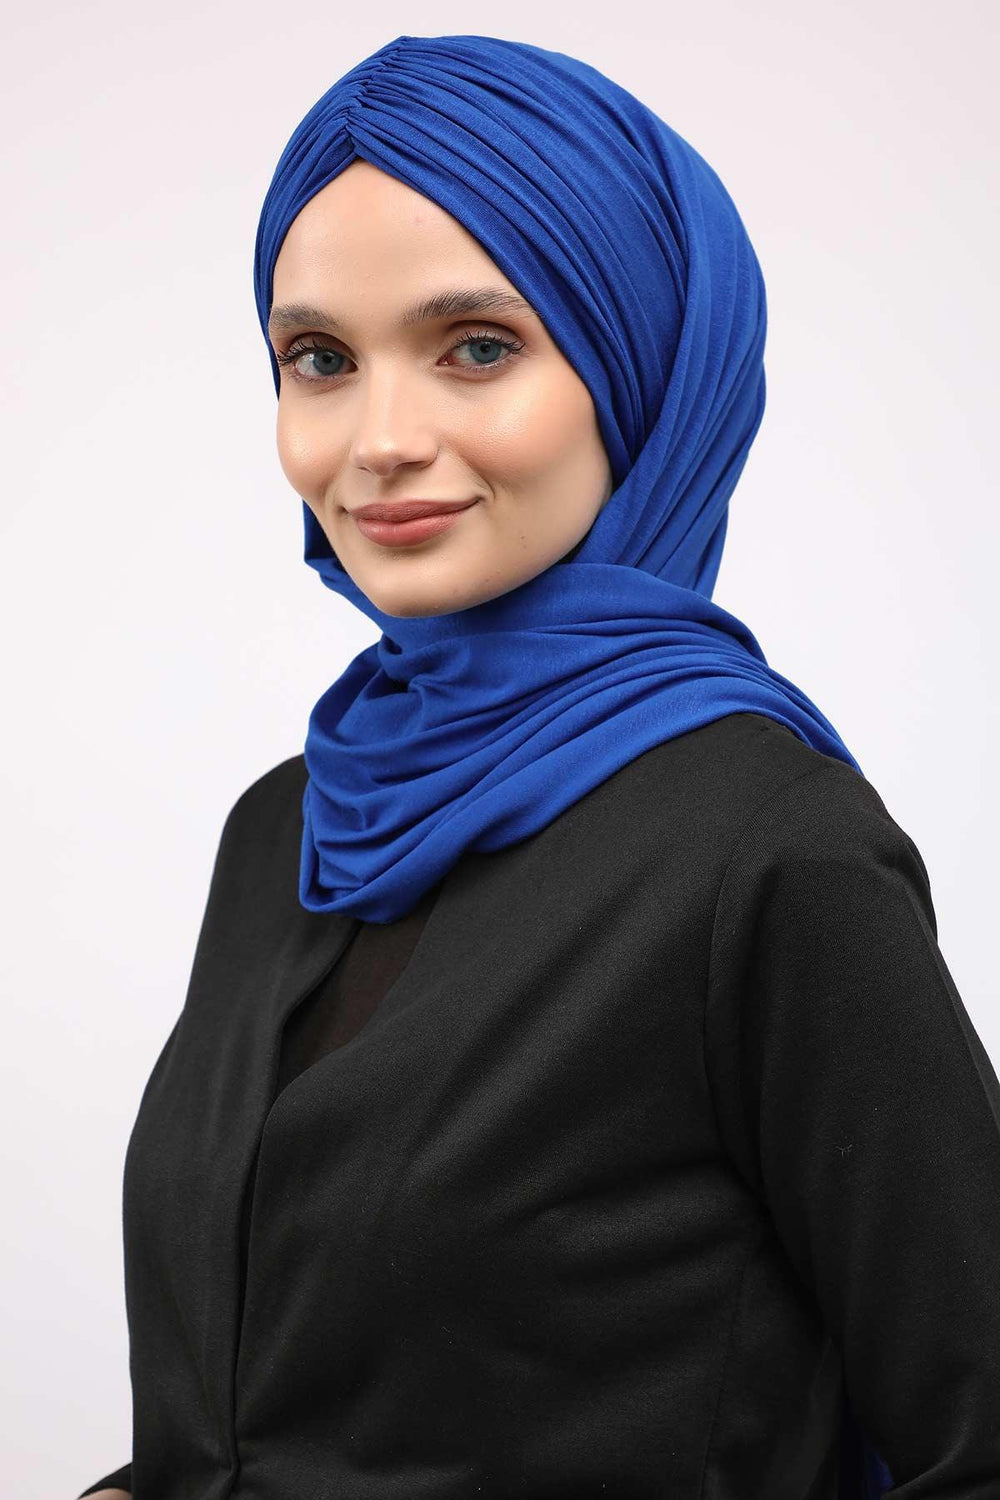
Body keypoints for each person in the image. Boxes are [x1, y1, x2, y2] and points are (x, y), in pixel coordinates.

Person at [77, 33, 1000, 1500]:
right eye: (320, 360)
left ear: (643, 372)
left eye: (476, 347)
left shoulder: (767, 850)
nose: (379, 440)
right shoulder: (291, 826)